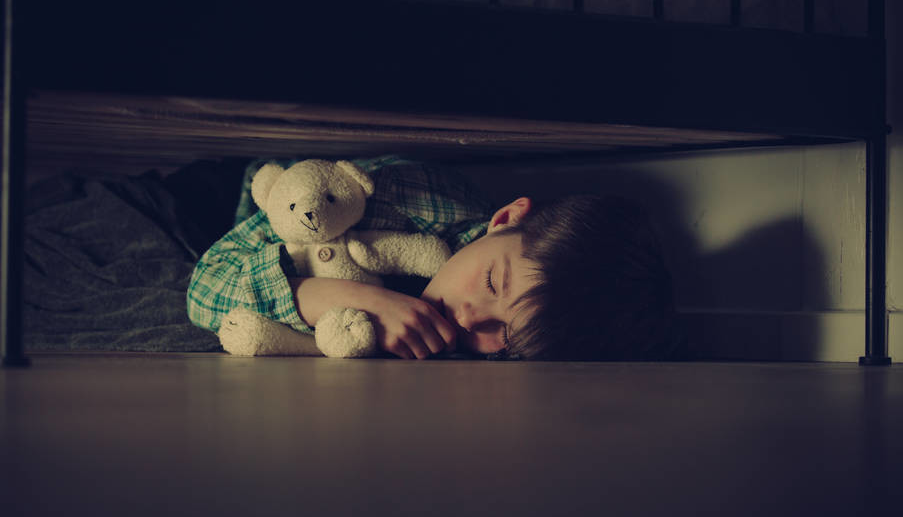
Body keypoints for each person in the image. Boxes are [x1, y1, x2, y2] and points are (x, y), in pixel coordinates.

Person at [187, 155, 679, 360]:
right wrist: (340, 296)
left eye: (506, 334)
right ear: (506, 218)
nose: (468, 318)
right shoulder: (394, 199)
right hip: (244, 198)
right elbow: (205, 289)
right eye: (491, 283)